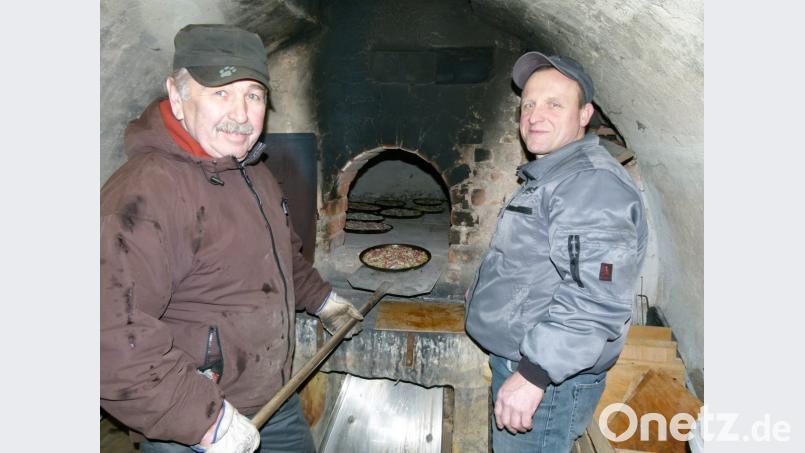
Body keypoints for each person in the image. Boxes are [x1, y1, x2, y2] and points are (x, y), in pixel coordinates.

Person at [100, 24, 363, 453]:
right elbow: (108, 335)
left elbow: (280, 257)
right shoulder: (142, 196)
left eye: (253, 95)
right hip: (189, 423)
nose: (241, 115)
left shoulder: (251, 170)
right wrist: (207, 423)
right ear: (177, 95)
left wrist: (322, 300)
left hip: (274, 399)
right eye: (221, 92)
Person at [464, 51, 648, 452]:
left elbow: (595, 299)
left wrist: (534, 375)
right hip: (535, 366)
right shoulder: (558, 174)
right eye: (528, 104)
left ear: (585, 114)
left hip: (548, 383)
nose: (534, 115)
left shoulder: (590, 184)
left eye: (553, 104)